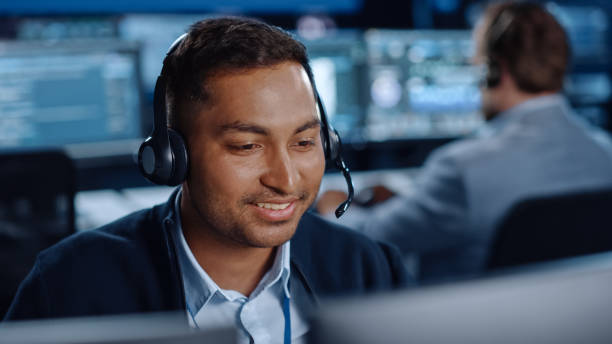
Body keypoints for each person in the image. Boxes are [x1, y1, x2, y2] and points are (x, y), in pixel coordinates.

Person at [4, 17, 411, 342]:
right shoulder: (72, 283)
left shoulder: (369, 268)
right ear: (173, 157)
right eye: (246, 146)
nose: (286, 180)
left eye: (304, 142)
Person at [317, 1, 612, 281]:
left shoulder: (463, 169)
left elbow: (370, 238)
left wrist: (334, 207)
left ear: (493, 70)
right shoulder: (605, 153)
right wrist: (408, 202)